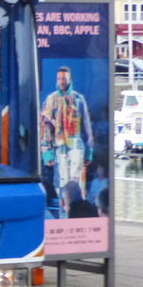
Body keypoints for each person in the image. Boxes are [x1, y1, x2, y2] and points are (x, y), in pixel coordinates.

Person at [40, 66, 94, 204]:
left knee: (77, 183)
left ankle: (77, 214)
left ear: (69, 79)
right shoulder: (51, 100)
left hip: (76, 146)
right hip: (59, 149)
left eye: (64, 78)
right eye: (59, 78)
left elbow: (86, 128)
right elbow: (44, 129)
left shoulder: (78, 99)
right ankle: (63, 216)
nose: (61, 81)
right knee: (61, 184)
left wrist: (89, 152)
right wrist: (46, 152)